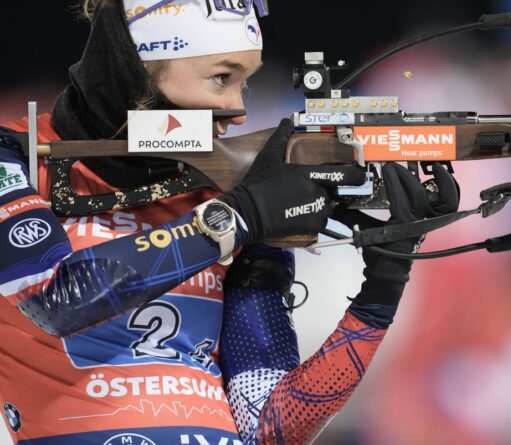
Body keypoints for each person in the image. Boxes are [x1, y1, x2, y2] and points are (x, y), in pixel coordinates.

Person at [0, 1, 459, 444]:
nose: (238, 110)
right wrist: (234, 218)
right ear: (134, 69)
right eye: (221, 78)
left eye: (244, 83)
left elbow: (270, 427)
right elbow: (56, 298)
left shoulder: (226, 188)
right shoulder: (15, 159)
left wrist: (381, 292)